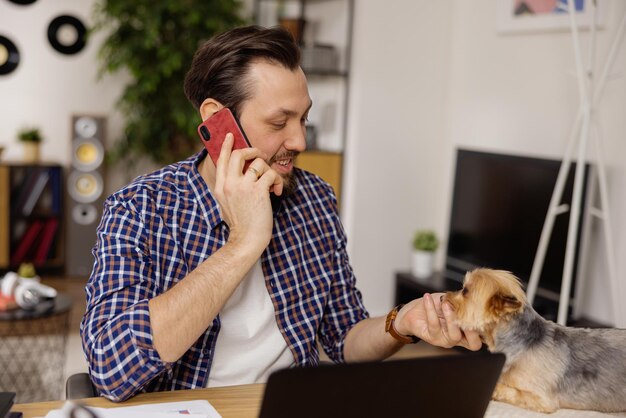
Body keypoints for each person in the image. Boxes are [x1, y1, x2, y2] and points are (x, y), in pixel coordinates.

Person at [80, 25, 481, 402]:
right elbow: (111, 368)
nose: (299, 140)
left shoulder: (314, 198)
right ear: (216, 120)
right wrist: (242, 244)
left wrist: (401, 323)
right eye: (279, 122)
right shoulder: (140, 208)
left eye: (303, 118)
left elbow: (343, 338)